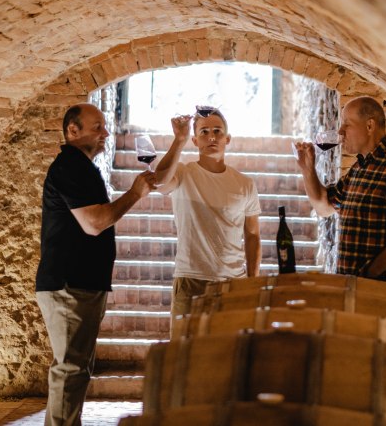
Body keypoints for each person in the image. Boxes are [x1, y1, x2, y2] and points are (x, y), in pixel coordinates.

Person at [35, 103, 155, 426]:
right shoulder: (70, 166)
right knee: (70, 371)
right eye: (97, 127)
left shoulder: (83, 167)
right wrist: (135, 193)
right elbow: (94, 222)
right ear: (72, 131)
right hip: (68, 285)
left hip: (81, 285)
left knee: (76, 371)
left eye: (104, 127)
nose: (105, 133)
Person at [294, 96, 386, 284]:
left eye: (347, 124)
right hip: (355, 292)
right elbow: (324, 207)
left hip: (381, 294)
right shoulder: (358, 170)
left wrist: (368, 275)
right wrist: (307, 169)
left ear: (369, 126)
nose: (340, 131)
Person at [153, 106, 262, 319]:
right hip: (190, 279)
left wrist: (252, 281)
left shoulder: (244, 184)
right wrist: (179, 140)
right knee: (183, 351)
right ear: (195, 140)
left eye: (217, 131)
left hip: (233, 282)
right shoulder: (183, 173)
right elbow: (159, 182)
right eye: (204, 132)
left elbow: (252, 235)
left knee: (230, 350)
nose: (211, 136)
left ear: (227, 138)